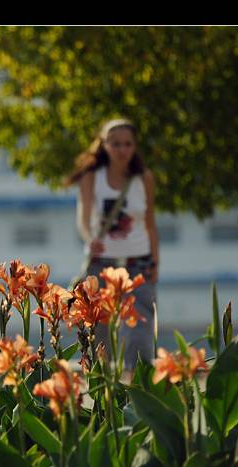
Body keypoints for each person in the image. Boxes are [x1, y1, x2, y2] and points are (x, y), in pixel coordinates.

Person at [64, 118, 159, 372]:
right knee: (98, 337)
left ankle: (138, 392)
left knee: (139, 335)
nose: (122, 150)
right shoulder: (92, 177)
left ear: (134, 146)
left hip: (137, 264)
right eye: (115, 144)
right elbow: (83, 220)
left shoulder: (143, 178)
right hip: (100, 265)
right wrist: (89, 238)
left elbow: (149, 224)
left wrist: (155, 264)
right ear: (104, 145)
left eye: (128, 144)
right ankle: (103, 396)